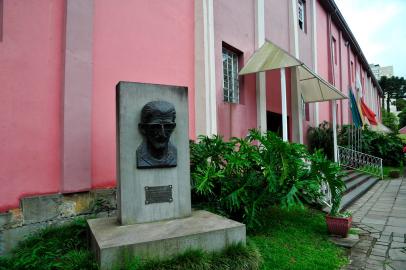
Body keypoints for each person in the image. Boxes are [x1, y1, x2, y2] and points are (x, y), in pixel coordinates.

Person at [136, 100, 177, 168]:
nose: (162, 134)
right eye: (155, 127)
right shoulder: (140, 156)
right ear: (143, 128)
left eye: (167, 126)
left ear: (173, 127)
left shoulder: (174, 154)